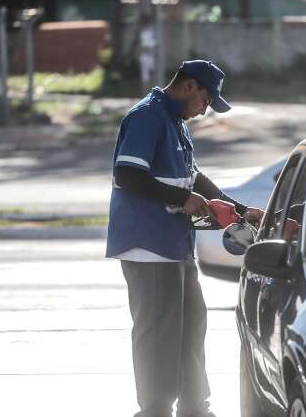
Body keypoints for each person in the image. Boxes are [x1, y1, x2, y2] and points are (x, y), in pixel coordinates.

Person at [106, 60, 264, 417]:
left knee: (192, 325)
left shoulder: (175, 122)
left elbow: (193, 178)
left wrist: (240, 210)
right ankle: (156, 409)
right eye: (205, 101)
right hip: (148, 244)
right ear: (189, 87)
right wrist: (183, 200)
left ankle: (195, 407)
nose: (204, 110)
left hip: (175, 244)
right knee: (159, 334)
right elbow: (129, 174)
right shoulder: (146, 116)